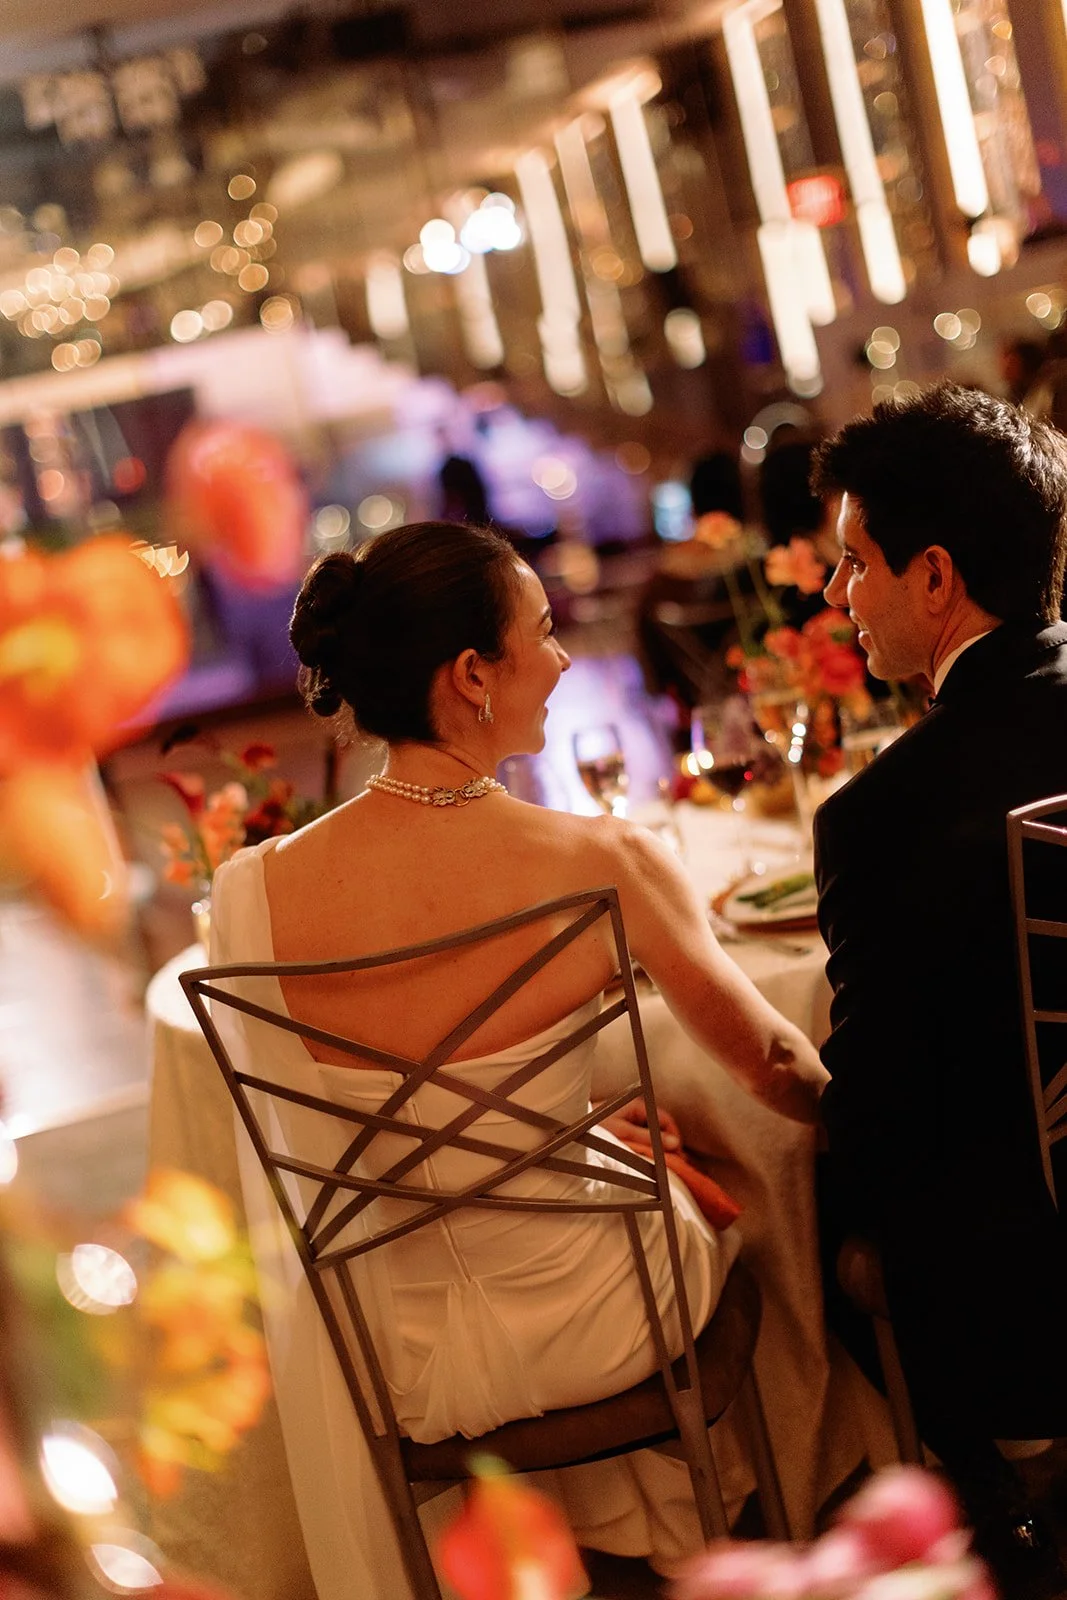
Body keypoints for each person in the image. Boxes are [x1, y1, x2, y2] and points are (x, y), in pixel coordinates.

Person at [208, 520, 827, 1599]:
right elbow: (772, 1065)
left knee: (645, 1152)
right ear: (470, 676)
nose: (563, 660)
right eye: (542, 634)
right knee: (748, 1191)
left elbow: (335, 1136)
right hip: (602, 1317)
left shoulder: (248, 892)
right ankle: (778, 1517)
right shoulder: (602, 861)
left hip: (397, 1354)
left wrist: (576, 1132)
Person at [810, 384, 1067, 1597]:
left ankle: (990, 1498)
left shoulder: (883, 814)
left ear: (931, 576)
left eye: (852, 560)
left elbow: (874, 1107)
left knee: (835, 1229)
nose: (831, 594)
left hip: (1029, 1276)